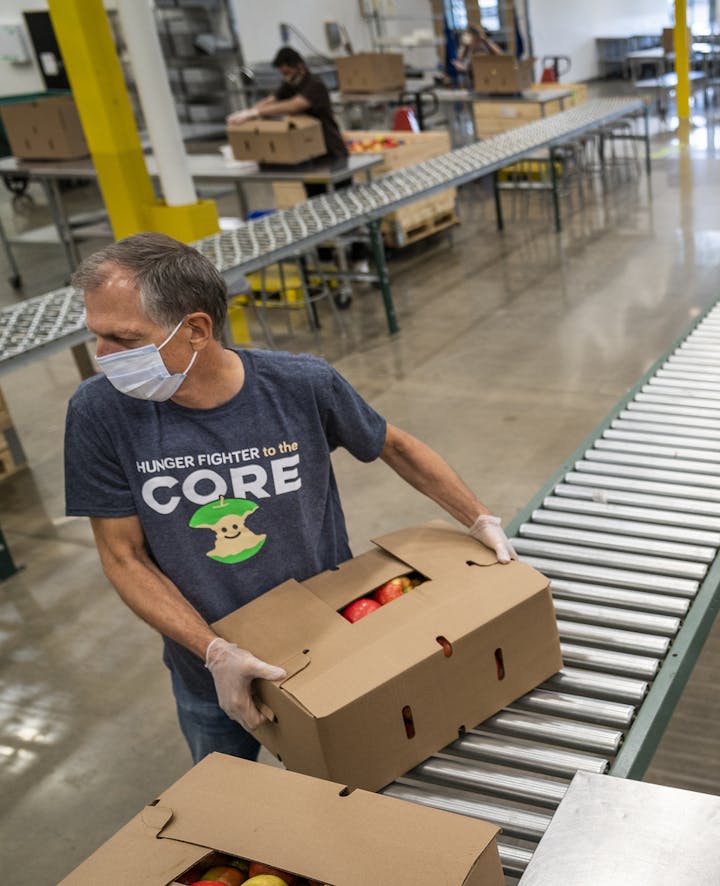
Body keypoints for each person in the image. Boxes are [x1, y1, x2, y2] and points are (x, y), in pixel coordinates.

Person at [64, 233, 517, 764]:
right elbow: (123, 556)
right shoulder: (100, 414)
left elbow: (392, 444)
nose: (103, 357)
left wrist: (479, 518)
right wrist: (215, 652)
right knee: (231, 800)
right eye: (96, 336)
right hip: (207, 670)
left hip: (330, 642)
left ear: (195, 331)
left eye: (123, 338)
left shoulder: (300, 386)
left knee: (356, 774)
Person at [227, 47, 366, 268]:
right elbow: (273, 99)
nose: (285, 76)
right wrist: (250, 112)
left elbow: (296, 105)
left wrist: (257, 113)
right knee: (317, 209)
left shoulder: (314, 85)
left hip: (333, 154)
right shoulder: (291, 85)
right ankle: (327, 258)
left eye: (287, 71)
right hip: (310, 159)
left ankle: (360, 256)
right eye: (282, 73)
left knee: (345, 205)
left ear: (298, 66)